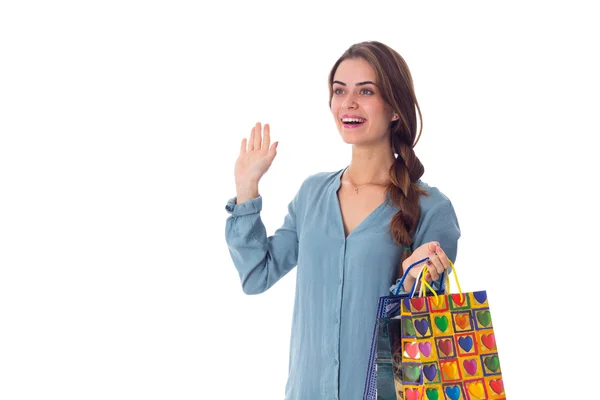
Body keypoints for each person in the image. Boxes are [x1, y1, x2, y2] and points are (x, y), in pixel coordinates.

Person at [224, 41, 461, 400]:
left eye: (365, 91)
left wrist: (415, 281)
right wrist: (246, 190)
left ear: (395, 109)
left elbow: (427, 332)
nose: (348, 103)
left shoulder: (432, 209)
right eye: (339, 91)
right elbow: (257, 275)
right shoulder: (312, 194)